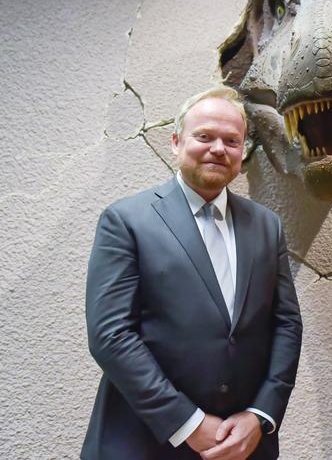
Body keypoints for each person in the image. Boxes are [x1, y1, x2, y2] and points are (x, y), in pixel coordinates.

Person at [82, 87, 302, 460]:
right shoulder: (126, 221)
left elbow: (286, 324)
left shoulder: (267, 226)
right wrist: (187, 422)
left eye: (231, 140)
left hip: (243, 444)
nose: (218, 148)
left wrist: (261, 414)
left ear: (243, 151)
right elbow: (111, 336)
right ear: (176, 142)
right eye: (204, 136)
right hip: (144, 442)